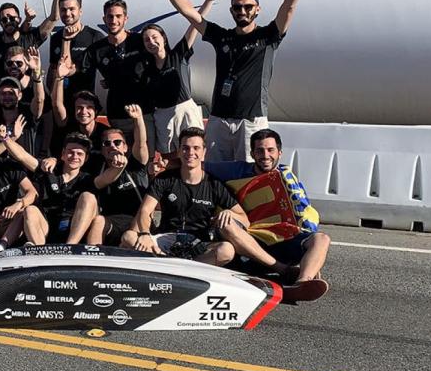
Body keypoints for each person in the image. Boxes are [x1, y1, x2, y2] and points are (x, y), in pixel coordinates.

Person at [171, 0, 315, 161]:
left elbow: (289, 7)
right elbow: (189, 13)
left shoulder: (268, 36)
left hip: (251, 120)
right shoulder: (222, 37)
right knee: (215, 174)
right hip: (219, 119)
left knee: (249, 176)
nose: (243, 11)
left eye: (248, 7)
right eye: (237, 7)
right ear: (232, 11)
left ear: (257, 9)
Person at [206, 129, 331, 302]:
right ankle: (283, 271)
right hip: (253, 241)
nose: (265, 155)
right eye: (259, 151)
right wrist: (163, 164)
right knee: (225, 224)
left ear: (280, 152)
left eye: (270, 150)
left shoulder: (286, 175)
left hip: (285, 236)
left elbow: (304, 209)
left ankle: (302, 283)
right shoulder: (236, 170)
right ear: (252, 153)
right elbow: (196, 165)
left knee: (322, 239)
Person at [120, 127, 244, 266]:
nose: (191, 153)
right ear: (179, 151)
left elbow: (244, 219)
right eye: (185, 148)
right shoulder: (164, 179)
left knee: (227, 250)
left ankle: (177, 267)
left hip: (198, 244)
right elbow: (145, 210)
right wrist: (144, 234)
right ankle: (168, 264)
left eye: (196, 148)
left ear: (204, 152)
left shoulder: (214, 184)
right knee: (128, 237)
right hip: (165, 240)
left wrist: (229, 214)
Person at [143, 0, 226, 164]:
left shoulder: (178, 53)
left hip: (185, 110)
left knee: (193, 155)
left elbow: (196, 21)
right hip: (162, 115)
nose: (151, 42)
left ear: (163, 38)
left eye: (154, 37)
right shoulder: (146, 68)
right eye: (146, 40)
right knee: (170, 159)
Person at [0, 126, 99, 246]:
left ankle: (69, 247)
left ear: (86, 158)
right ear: (62, 154)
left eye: (80, 153)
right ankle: (38, 249)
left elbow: (110, 175)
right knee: (30, 210)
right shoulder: (48, 169)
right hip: (45, 229)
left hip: (74, 231)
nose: (75, 156)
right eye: (70, 152)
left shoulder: (88, 179)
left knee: (89, 197)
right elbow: (23, 156)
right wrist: (5, 138)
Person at [83, 0, 151, 133]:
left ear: (126, 18)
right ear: (104, 19)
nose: (113, 21)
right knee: (119, 152)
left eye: (118, 16)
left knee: (145, 153)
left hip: (145, 112)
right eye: (110, 16)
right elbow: (81, 74)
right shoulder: (96, 50)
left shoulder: (140, 41)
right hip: (118, 113)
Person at [85, 107, 151, 245]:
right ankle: (92, 262)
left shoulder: (135, 165)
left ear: (125, 147)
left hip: (137, 221)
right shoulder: (99, 169)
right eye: (107, 144)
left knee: (130, 236)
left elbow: (140, 144)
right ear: (102, 150)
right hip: (112, 223)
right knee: (98, 221)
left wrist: (138, 119)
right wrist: (117, 167)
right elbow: (100, 182)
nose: (112, 146)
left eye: (117, 142)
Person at [48, 0, 105, 102]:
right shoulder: (56, 37)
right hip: (61, 104)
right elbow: (53, 68)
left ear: (80, 11)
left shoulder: (94, 36)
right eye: (63, 10)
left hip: (85, 104)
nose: (67, 14)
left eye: (71, 9)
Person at [0, 0, 57, 83]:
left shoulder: (30, 38)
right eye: (4, 20)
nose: (8, 22)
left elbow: (53, 18)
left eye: (12, 18)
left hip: (27, 92)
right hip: (3, 93)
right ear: (0, 23)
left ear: (19, 20)